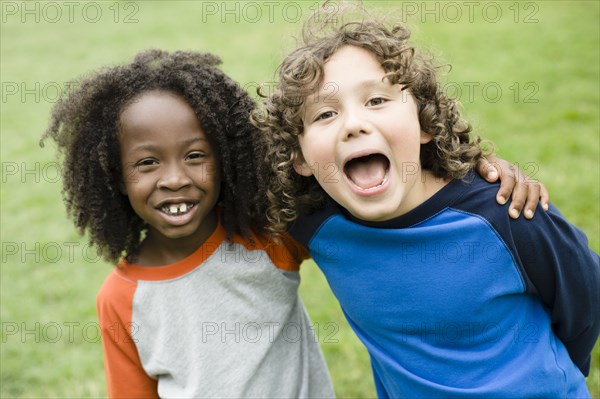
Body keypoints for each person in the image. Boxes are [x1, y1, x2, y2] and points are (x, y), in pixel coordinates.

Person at [252, 8, 600, 398]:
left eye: (377, 100)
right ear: (298, 158)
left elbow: (586, 295)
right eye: (326, 113)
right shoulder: (318, 227)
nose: (353, 124)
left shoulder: (505, 213)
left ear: (425, 123)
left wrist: (565, 371)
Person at [40, 50, 335, 398]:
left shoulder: (266, 234)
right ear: (118, 177)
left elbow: (363, 243)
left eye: (195, 156)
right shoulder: (121, 298)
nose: (175, 179)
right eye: (148, 162)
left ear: (225, 159)